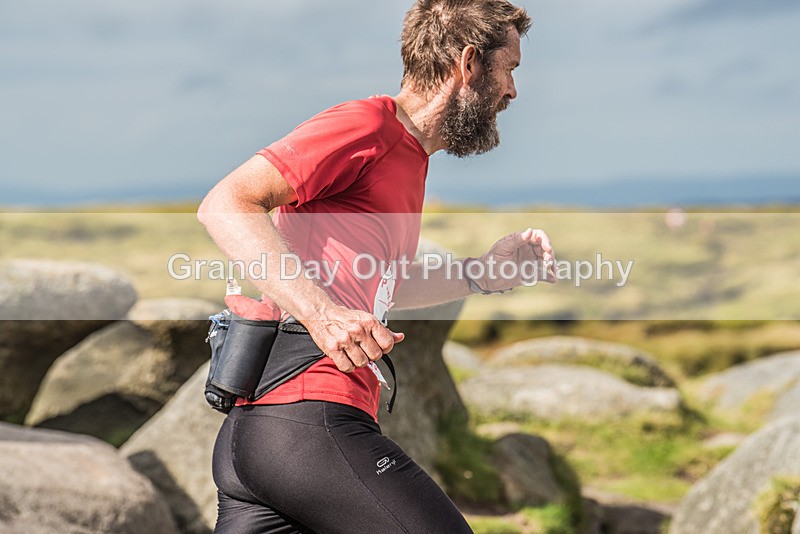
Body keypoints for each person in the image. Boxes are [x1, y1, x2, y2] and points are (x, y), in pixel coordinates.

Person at [198, 1, 556, 532]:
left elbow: (376, 286)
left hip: (261, 438)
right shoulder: (368, 125)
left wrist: (480, 273)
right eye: (511, 69)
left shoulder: (408, 158)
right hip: (305, 422)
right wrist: (322, 315)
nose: (512, 91)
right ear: (468, 63)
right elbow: (227, 204)